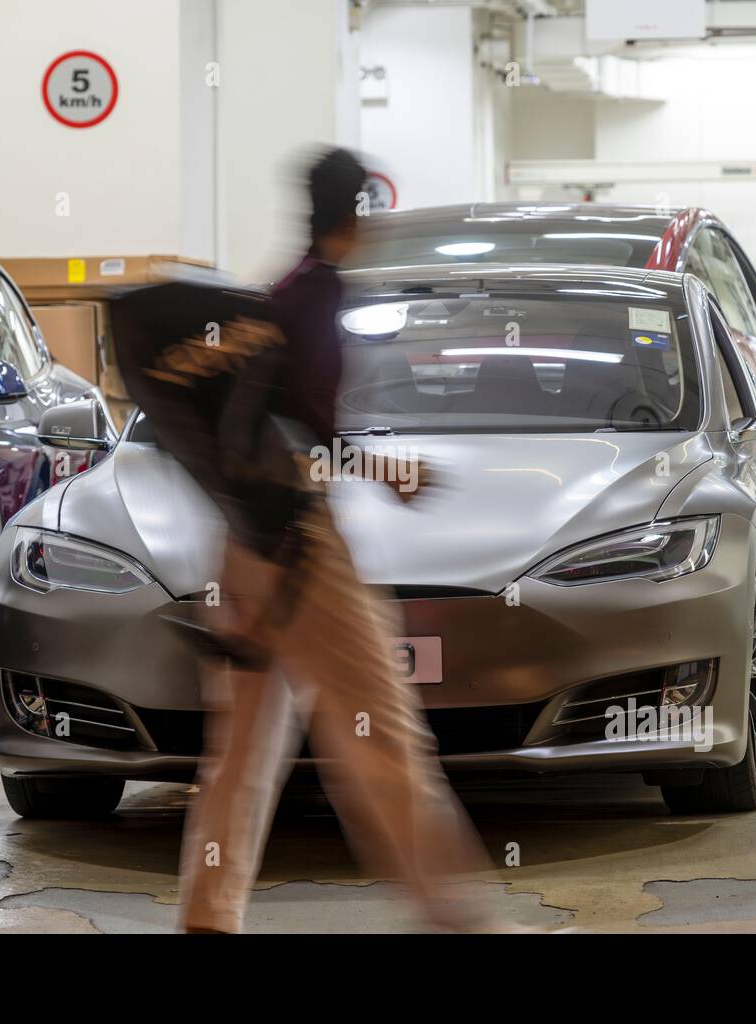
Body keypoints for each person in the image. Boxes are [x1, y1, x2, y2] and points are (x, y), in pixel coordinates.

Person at [177, 148, 494, 934]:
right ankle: (455, 914)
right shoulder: (317, 298)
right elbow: (310, 437)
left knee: (244, 747)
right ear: (358, 214)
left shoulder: (276, 291)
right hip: (300, 545)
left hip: (243, 544)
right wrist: (390, 471)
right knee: (382, 730)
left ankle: (207, 916)